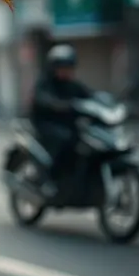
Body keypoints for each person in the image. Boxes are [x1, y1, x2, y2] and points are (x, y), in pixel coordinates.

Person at [29, 44, 92, 192]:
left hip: (68, 124)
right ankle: (50, 178)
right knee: (65, 140)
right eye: (63, 68)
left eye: (69, 68)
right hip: (46, 124)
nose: (66, 72)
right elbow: (41, 98)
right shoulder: (45, 83)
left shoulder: (73, 85)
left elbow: (90, 95)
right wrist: (55, 104)